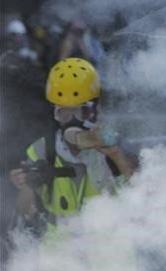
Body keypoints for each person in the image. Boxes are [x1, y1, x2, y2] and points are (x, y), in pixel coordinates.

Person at [7, 58, 136, 237]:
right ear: (55, 113)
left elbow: (140, 194)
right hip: (62, 258)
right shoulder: (41, 150)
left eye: (81, 111)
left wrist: (115, 154)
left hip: (109, 253)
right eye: (64, 112)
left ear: (95, 110)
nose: (73, 120)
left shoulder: (113, 144)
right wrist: (29, 184)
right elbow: (24, 211)